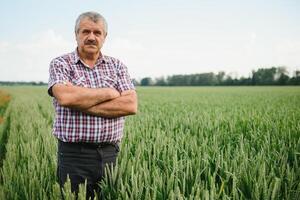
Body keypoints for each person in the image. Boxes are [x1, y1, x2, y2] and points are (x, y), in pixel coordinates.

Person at [47, 11, 137, 199]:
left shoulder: (117, 66)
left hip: (110, 153)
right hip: (73, 155)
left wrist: (79, 100)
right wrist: (109, 93)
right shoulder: (61, 64)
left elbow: (130, 105)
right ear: (76, 34)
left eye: (97, 32)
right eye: (85, 31)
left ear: (105, 37)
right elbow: (64, 97)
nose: (91, 37)